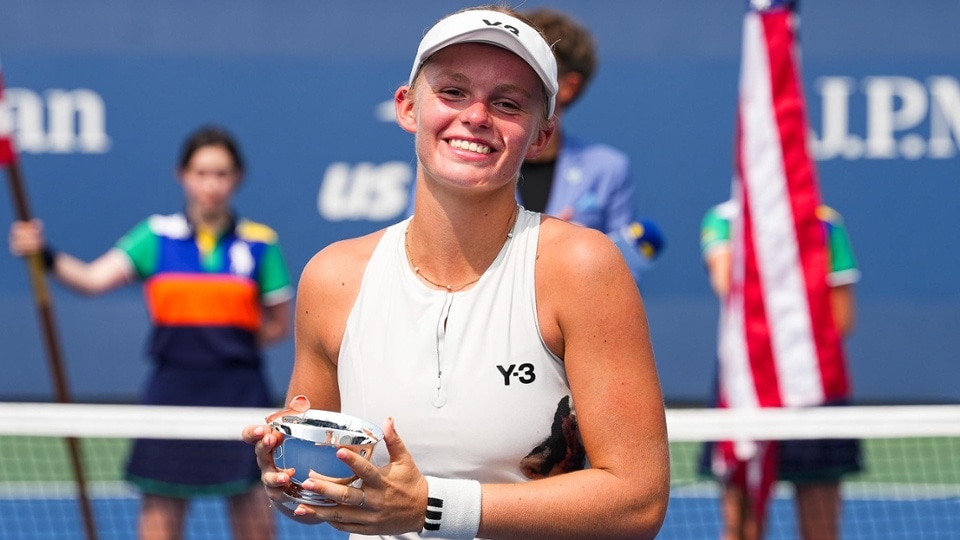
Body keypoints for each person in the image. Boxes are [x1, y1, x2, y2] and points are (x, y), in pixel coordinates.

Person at [242, 5, 670, 540]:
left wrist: (432, 507)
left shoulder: (583, 267)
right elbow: (321, 480)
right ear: (407, 107)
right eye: (453, 92)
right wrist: (291, 481)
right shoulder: (332, 277)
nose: (476, 116)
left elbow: (638, 501)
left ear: (541, 135)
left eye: (508, 103)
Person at [8, 125, 293, 540]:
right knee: (161, 512)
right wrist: (44, 255)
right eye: (201, 172)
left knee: (252, 513)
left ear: (237, 178)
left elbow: (277, 326)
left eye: (221, 173)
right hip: (171, 391)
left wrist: (222, 348)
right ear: (183, 175)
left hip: (238, 394)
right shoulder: (155, 237)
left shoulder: (260, 245)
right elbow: (90, 280)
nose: (211, 184)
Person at [700, 199, 863, 540]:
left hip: (814, 386)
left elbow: (842, 320)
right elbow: (729, 285)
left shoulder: (827, 224)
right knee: (741, 529)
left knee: (821, 531)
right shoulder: (723, 220)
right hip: (745, 384)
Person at [518, 7, 664, 283]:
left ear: (569, 86)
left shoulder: (608, 168)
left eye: (537, 69)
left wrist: (584, 253)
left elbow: (624, 276)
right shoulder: (460, 154)